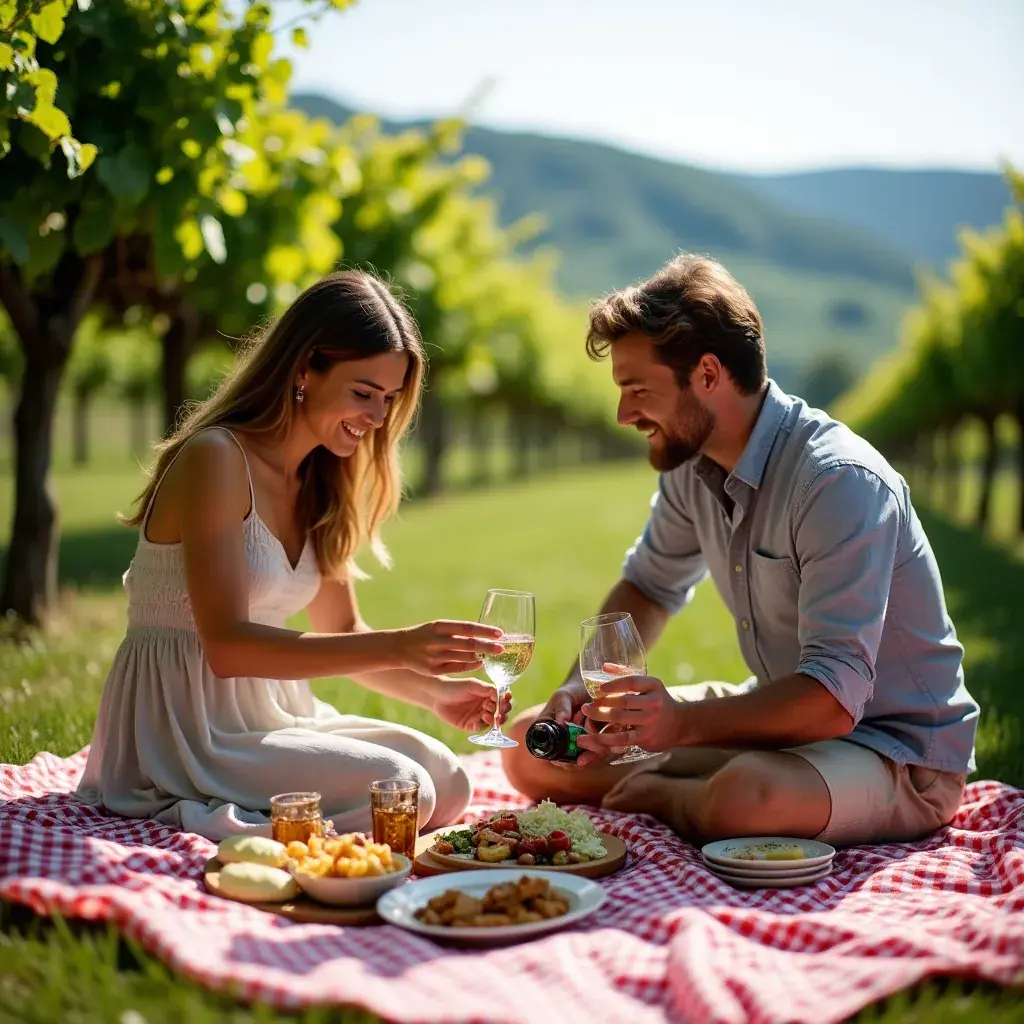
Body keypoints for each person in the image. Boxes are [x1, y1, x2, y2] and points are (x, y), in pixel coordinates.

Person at [503, 254, 979, 848]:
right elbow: (650, 585)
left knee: (746, 796)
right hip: (781, 726)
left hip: (895, 752)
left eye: (637, 390)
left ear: (707, 374)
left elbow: (833, 702)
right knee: (534, 748)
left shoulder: (838, 481)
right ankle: (682, 781)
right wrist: (582, 690)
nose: (624, 414)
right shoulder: (690, 463)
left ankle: (667, 791)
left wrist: (676, 727)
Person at [78, 270, 509, 841]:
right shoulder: (218, 459)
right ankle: (236, 820)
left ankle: (300, 820)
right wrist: (404, 645)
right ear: (304, 367)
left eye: (389, 398)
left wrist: (437, 695)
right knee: (405, 789)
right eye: (363, 393)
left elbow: (344, 628)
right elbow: (228, 646)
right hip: (186, 727)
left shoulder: (321, 479)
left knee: (448, 781)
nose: (378, 419)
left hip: (271, 714)